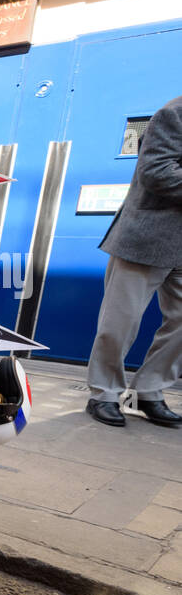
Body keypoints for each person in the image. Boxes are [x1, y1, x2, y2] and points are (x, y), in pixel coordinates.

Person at [86, 96, 182, 428]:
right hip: (147, 237)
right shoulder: (174, 113)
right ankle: (104, 394)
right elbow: (157, 172)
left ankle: (149, 391)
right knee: (119, 323)